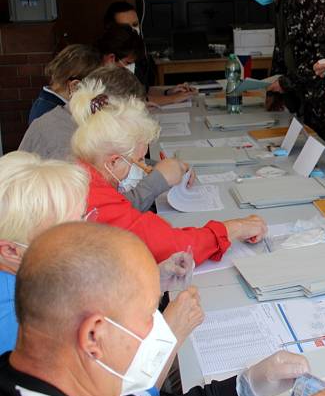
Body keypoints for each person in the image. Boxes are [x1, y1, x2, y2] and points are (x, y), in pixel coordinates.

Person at [0, 221, 325, 396]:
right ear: (94, 335)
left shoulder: (49, 383)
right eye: (149, 313)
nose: (157, 327)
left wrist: (247, 387)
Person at [0, 152, 203, 369]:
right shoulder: (19, 325)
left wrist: (155, 282)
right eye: (67, 232)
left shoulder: (35, 272)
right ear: (11, 250)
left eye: (83, 218)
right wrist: (171, 333)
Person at [69, 80, 266, 264]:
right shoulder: (96, 200)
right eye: (138, 161)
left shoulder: (82, 174)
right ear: (113, 162)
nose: (143, 167)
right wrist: (236, 228)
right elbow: (175, 248)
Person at [20, 66, 192, 213]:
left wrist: (161, 167)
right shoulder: (64, 144)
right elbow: (105, 214)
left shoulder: (74, 119)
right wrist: (158, 180)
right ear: (112, 111)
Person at [239, 0, 325, 143]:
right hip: (301, 104)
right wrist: (274, 88)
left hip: (323, 108)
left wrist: (284, 83)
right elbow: (282, 49)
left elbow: (323, 56)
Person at [103, 2, 195, 105]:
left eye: (135, 25)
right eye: (126, 27)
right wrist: (173, 99)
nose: (133, 31)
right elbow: (133, 99)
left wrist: (168, 92)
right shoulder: (108, 62)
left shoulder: (136, 53)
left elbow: (143, 90)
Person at [27, 44, 103, 124]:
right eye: (96, 87)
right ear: (75, 86)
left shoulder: (47, 103)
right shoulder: (52, 115)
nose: (99, 93)